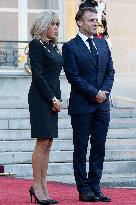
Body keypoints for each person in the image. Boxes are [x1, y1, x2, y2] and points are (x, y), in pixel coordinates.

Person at [62, 7, 115, 202]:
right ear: (80, 23)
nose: (95, 23)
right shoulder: (70, 47)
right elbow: (73, 76)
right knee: (81, 148)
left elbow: (111, 71)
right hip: (82, 105)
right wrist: (95, 93)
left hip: (102, 106)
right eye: (91, 20)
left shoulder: (103, 44)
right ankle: (83, 189)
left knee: (99, 147)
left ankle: (95, 186)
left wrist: (104, 92)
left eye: (97, 20)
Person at [28, 10, 63, 205]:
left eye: (58, 24)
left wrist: (58, 98)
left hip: (52, 98)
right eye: (53, 24)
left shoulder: (53, 47)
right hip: (41, 98)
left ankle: (44, 186)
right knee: (42, 142)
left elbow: (55, 77)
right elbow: (38, 76)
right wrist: (51, 99)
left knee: (49, 143)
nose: (56, 28)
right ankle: (37, 186)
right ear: (44, 26)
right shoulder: (36, 45)